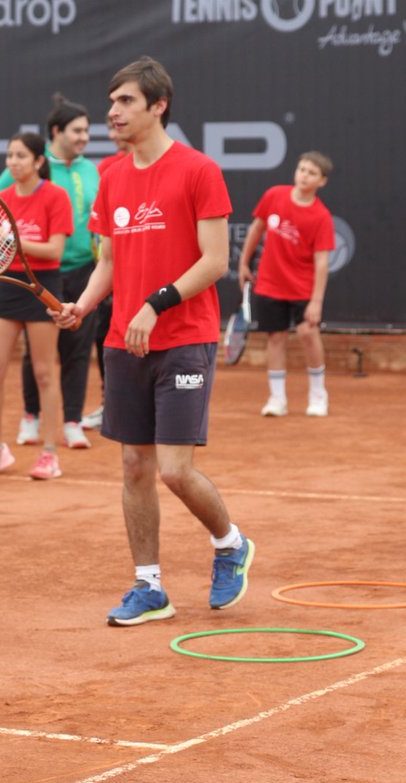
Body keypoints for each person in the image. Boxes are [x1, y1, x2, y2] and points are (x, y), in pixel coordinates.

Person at [54, 57, 255, 625]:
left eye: (125, 102)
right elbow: (110, 263)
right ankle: (150, 587)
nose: (112, 112)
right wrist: (84, 305)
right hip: (124, 341)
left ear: (158, 105)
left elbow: (215, 262)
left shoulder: (198, 170)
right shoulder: (111, 175)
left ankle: (230, 544)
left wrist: (155, 303)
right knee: (135, 468)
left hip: (184, 336)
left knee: (173, 470)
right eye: (111, 102)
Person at [0, 95, 100, 450]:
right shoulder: (18, 173)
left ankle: (71, 422)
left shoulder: (88, 170)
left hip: (82, 269)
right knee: (34, 358)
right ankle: (31, 418)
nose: (84, 137)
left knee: (77, 350)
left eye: (87, 131)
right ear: (57, 132)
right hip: (29, 276)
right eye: (78, 130)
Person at [0, 131, 73, 480]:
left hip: (43, 285)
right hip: (9, 286)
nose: (13, 162)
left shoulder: (56, 197)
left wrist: (14, 237)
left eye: (20, 156)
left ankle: (49, 453)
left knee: (45, 372)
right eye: (9, 155)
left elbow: (55, 251)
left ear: (38, 161)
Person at [237, 151, 336, 417]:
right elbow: (256, 229)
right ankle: (277, 399)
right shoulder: (274, 195)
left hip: (302, 288)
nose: (304, 175)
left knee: (307, 334)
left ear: (322, 181)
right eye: (302, 169)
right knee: (276, 338)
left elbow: (322, 264)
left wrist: (316, 302)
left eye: (312, 173)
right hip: (270, 284)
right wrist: (244, 263)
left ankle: (318, 395)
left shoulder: (321, 217)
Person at [79, 116, 132, 433]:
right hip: (107, 270)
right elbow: (102, 226)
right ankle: (108, 404)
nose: (113, 134)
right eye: (109, 129)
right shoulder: (107, 169)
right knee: (104, 339)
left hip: (137, 278)